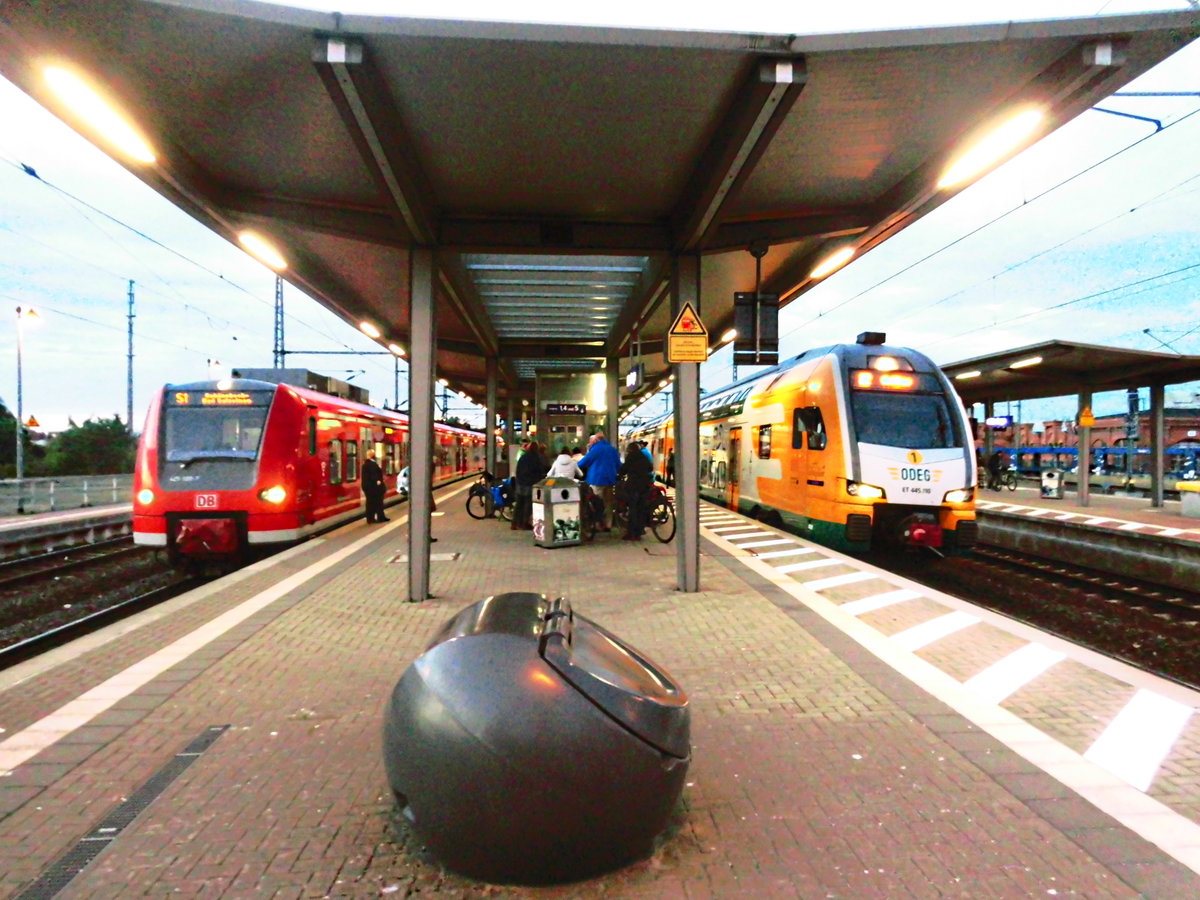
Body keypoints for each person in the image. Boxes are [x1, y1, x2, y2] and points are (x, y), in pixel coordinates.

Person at [577, 432, 621, 532]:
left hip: (597, 480)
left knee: (596, 503)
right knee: (608, 503)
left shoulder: (596, 449)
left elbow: (583, 462)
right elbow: (618, 465)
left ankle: (597, 524)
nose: (590, 443)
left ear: (596, 440)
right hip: (610, 480)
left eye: (591, 441)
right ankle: (608, 524)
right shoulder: (612, 449)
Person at [617, 439, 654, 541]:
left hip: (634, 486)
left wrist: (620, 475)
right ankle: (639, 531)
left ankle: (631, 533)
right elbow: (650, 468)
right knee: (641, 509)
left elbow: (624, 469)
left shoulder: (631, 457)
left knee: (633, 509)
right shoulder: (643, 456)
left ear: (630, 450)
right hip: (645, 486)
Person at [512, 441, 543, 530]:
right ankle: (524, 523)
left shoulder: (523, 457)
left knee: (519, 504)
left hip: (521, 483)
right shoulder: (536, 458)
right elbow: (539, 471)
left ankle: (514, 523)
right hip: (530, 483)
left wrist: (519, 480)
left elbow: (517, 469)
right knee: (527, 504)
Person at [361, 449, 388, 522]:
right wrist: (378, 482)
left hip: (368, 487)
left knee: (370, 503)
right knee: (377, 502)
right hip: (373, 487)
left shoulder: (366, 464)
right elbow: (374, 475)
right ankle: (378, 518)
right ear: (372, 455)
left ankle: (372, 518)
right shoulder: (372, 464)